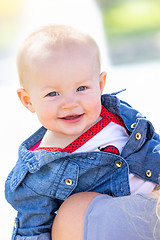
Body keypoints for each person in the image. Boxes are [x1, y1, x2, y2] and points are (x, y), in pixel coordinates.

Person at [5, 25, 160, 240]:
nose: (70, 103)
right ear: (28, 100)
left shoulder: (119, 116)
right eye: (52, 93)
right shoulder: (39, 171)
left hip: (152, 208)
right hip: (111, 229)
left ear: (100, 84)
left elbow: (152, 146)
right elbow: (32, 229)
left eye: (81, 89)